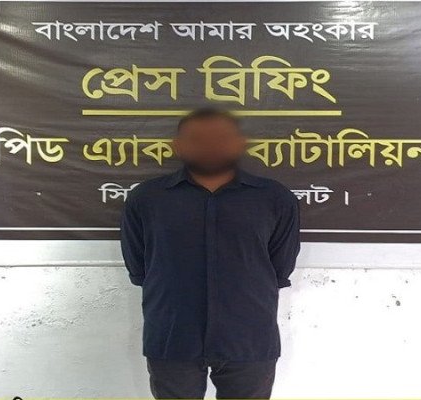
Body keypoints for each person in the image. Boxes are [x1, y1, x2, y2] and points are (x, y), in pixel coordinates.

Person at [120, 108, 301, 399]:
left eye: (221, 138)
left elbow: (280, 267)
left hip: (249, 338)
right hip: (173, 337)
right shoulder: (147, 198)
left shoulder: (274, 198)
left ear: (240, 144)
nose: (210, 146)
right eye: (197, 139)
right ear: (178, 145)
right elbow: (139, 267)